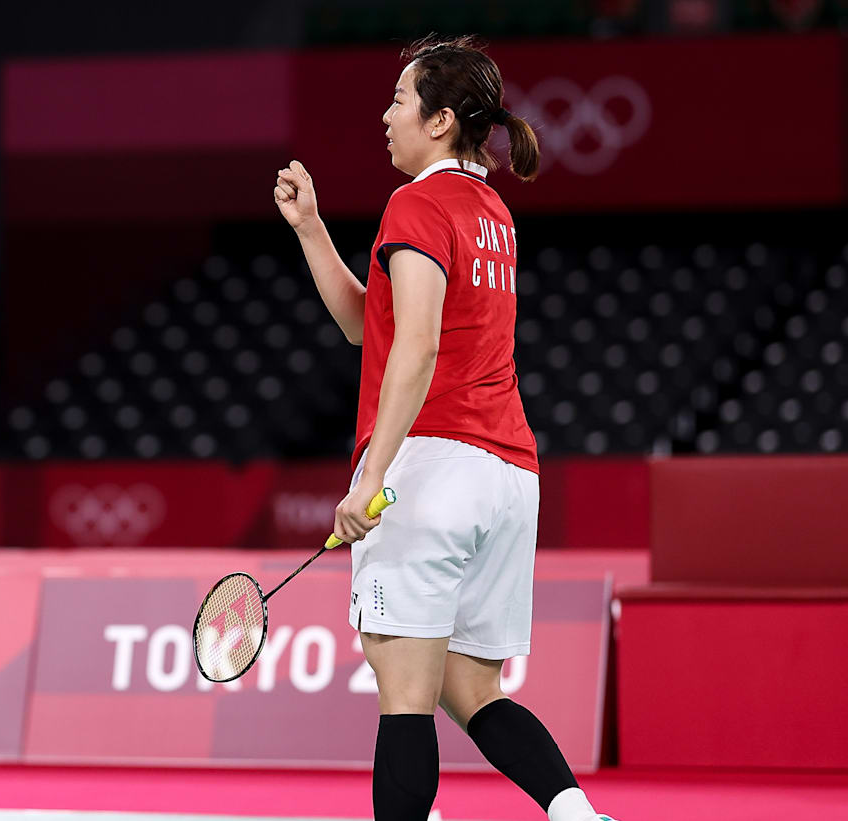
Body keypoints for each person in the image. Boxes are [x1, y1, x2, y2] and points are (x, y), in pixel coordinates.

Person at [273, 37, 614, 821]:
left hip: (431, 466)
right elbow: (371, 326)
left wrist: (371, 477)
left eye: (399, 100)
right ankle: (577, 815)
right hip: (508, 474)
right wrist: (312, 228)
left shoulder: (416, 204)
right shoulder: (493, 213)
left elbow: (419, 346)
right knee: (470, 686)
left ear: (440, 120)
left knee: (405, 694)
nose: (386, 115)